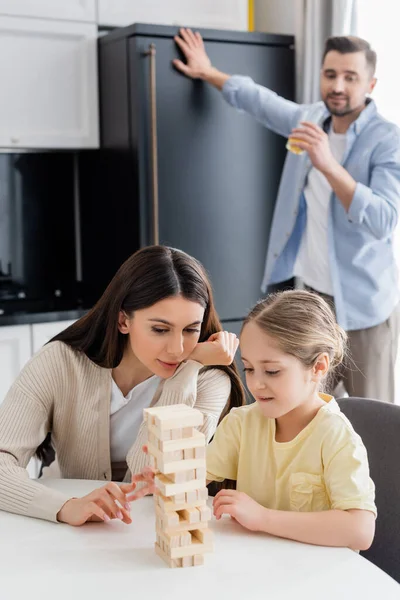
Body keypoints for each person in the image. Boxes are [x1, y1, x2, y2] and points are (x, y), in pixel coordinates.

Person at [172, 28, 400, 402]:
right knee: (310, 413)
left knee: (372, 419)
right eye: (330, 75)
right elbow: (259, 101)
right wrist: (208, 71)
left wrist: (328, 165)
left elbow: (385, 219)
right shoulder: (310, 120)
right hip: (311, 301)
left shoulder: (387, 139)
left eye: (350, 77)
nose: (338, 85)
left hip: (365, 312)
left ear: (370, 83)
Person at [0, 245, 244, 526]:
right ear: (123, 320)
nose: (178, 349)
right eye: (160, 329)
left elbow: (154, 474)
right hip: (63, 528)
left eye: (191, 329)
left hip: (149, 532)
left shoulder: (210, 379)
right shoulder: (60, 362)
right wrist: (66, 507)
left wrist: (187, 371)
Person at [135, 290, 376, 550]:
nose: (256, 384)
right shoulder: (242, 423)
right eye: (249, 368)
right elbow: (195, 476)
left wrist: (263, 518)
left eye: (272, 371)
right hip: (256, 568)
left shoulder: (335, 436)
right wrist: (165, 477)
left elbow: (360, 531)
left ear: (318, 367)